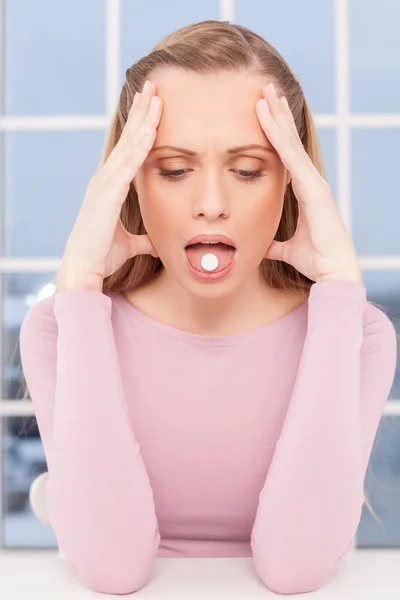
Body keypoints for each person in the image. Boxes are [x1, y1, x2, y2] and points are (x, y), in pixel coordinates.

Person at [18, 19, 397, 596]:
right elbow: (111, 569)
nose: (212, 205)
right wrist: (82, 287)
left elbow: (297, 567)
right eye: (173, 170)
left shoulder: (360, 335)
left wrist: (340, 290)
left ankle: (56, 494)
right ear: (131, 183)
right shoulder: (58, 328)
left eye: (247, 170)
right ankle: (55, 495)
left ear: (294, 182)